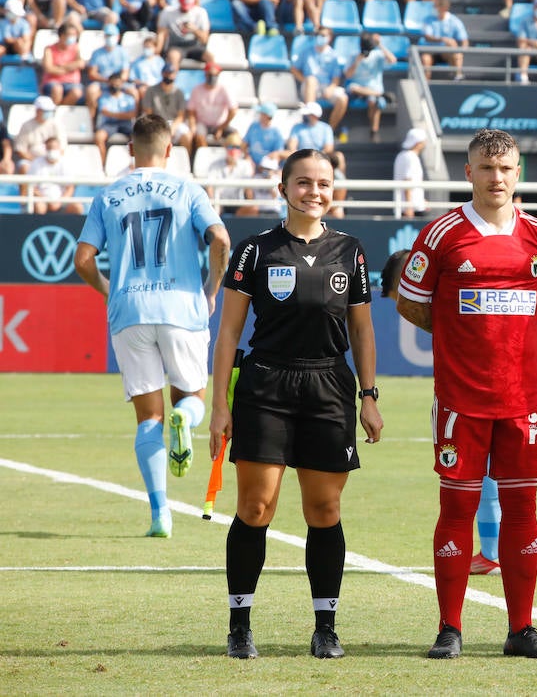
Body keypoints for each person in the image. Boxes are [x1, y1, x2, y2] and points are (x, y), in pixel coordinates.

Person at [395, 129, 537, 661]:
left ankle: (521, 629)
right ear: (468, 173)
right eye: (487, 169)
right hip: (460, 400)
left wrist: (511, 340)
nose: (497, 178)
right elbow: (409, 304)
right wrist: (461, 334)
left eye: (507, 169)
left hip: (524, 400)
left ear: (518, 173)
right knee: (457, 508)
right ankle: (450, 627)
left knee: (523, 509)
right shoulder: (441, 235)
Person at [208, 148, 382, 660]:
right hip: (266, 384)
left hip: (329, 386)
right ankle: (240, 625)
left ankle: (325, 626)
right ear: (283, 189)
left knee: (323, 508)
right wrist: (220, 405)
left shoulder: (350, 250)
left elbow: (362, 328)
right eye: (303, 183)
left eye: (324, 183)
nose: (315, 192)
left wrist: (368, 397)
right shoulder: (254, 250)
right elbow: (229, 333)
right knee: (255, 507)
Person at [72, 115, 232, 538]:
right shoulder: (187, 190)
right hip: (181, 306)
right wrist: (211, 288)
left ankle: (160, 515)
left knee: (148, 419)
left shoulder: (108, 195)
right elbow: (221, 239)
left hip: (130, 310)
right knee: (192, 397)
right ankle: (185, 417)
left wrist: (108, 289)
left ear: (130, 151)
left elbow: (82, 259)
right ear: (169, 150)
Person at [393, 126, 428, 218]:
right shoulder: (410, 157)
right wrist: (409, 207)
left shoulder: (402, 156)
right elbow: (407, 182)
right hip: (411, 210)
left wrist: (421, 201)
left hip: (410, 207)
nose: (425, 143)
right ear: (418, 143)